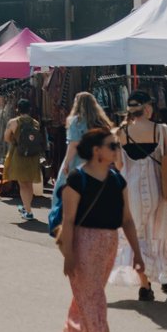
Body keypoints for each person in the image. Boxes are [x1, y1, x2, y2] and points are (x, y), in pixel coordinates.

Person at [57, 128, 142, 332]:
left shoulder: (118, 180)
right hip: (83, 243)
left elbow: (127, 219)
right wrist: (68, 254)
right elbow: (68, 220)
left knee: (85, 296)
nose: (118, 150)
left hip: (108, 243)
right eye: (113, 146)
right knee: (94, 300)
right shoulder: (77, 179)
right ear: (97, 151)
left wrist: (137, 254)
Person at [109, 90, 167, 300]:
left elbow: (119, 164)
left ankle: (145, 285)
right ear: (148, 108)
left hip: (129, 189)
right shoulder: (160, 130)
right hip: (158, 187)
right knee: (159, 232)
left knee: (137, 235)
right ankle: (166, 276)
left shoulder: (120, 132)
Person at [51, 93, 114, 238]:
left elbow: (73, 145)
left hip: (79, 162)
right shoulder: (102, 121)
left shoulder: (76, 121)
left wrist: (66, 163)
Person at [2, 98, 43, 221]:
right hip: (32, 156)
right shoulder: (35, 123)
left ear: (17, 109)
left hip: (18, 155)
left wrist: (16, 142)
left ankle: (28, 211)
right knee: (28, 183)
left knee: (22, 184)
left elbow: (6, 138)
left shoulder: (13, 122)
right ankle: (26, 207)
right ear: (30, 109)